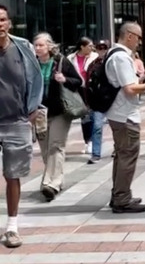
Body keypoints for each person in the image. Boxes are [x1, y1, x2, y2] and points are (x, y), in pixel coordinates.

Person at [105, 22, 145, 213]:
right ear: (129, 35)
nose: (139, 42)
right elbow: (130, 89)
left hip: (118, 113)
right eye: (138, 37)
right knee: (127, 156)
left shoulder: (114, 54)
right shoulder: (121, 57)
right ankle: (122, 198)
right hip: (125, 115)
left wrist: (144, 78)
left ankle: (119, 194)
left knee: (122, 155)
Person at [0, 5, 43, 248]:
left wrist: (34, 107)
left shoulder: (23, 48)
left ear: (9, 23)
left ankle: (12, 228)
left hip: (16, 121)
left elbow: (36, 78)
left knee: (12, 174)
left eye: (3, 19)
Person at [34, 32, 82, 202]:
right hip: (39, 112)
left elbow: (78, 81)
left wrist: (64, 79)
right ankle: (57, 180)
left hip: (60, 110)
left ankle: (50, 183)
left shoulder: (61, 61)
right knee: (46, 149)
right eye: (36, 45)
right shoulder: (32, 64)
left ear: (49, 46)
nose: (38, 48)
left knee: (56, 146)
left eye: (41, 45)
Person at [68, 37, 99, 155]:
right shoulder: (71, 58)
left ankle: (93, 141)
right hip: (78, 90)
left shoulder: (95, 57)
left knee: (94, 116)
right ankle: (88, 141)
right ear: (82, 46)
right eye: (89, 46)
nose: (92, 48)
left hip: (92, 90)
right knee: (85, 117)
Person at [86, 40, 110, 164]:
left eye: (104, 47)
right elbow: (87, 83)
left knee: (118, 127)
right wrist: (88, 102)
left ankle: (118, 149)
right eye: (99, 48)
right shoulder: (93, 65)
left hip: (112, 101)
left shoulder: (112, 62)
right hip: (98, 102)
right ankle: (96, 153)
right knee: (97, 127)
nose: (102, 50)